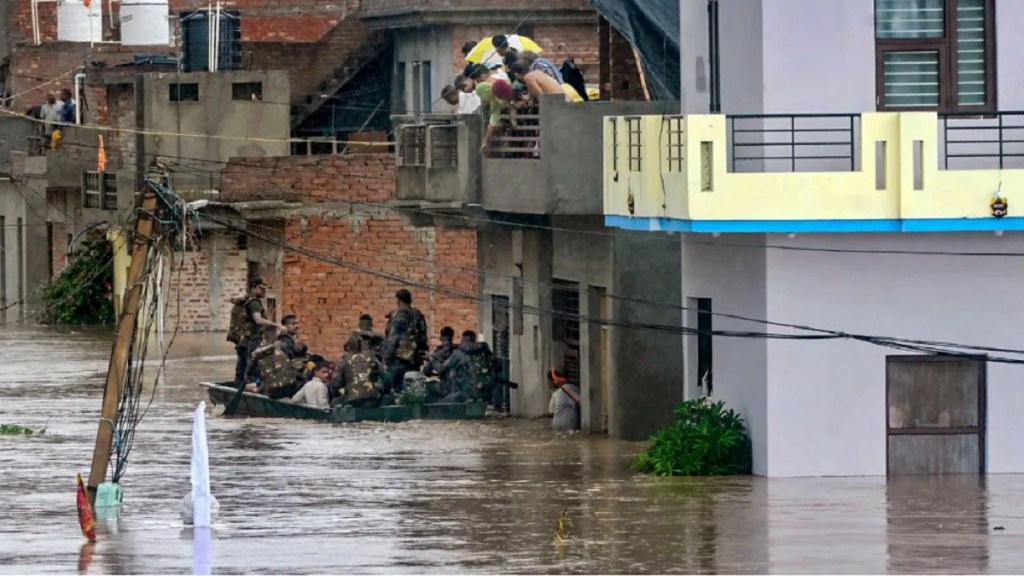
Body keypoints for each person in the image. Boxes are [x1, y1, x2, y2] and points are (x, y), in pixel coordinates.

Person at [231, 277, 285, 388]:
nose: (264, 291)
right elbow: (258, 320)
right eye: (262, 289)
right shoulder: (254, 302)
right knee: (252, 367)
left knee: (241, 367)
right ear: (254, 288)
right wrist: (277, 325)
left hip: (241, 340)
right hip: (251, 340)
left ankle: (238, 386)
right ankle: (250, 389)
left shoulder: (244, 300)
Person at [382, 289, 428, 393]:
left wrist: (386, 358)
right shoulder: (419, 316)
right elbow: (423, 340)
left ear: (399, 301)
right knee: (412, 392)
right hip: (415, 362)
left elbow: (392, 340)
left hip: (399, 361)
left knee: (394, 393)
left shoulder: (399, 317)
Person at [439, 330, 495, 403]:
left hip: (466, 394)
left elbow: (442, 368)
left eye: (462, 339)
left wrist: (435, 359)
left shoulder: (459, 352)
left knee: (442, 404)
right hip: (487, 392)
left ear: (465, 339)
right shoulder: (485, 350)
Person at [330, 334, 384, 407]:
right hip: (373, 399)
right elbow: (385, 377)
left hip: (352, 400)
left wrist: (336, 393)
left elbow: (335, 383)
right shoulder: (373, 358)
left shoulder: (344, 361)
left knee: (334, 402)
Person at [509, 61, 582, 102]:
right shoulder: (537, 72)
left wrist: (528, 101)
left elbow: (540, 96)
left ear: (516, 74)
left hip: (558, 103)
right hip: (564, 99)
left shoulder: (528, 77)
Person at [548, 367, 581, 432]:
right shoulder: (575, 389)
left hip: (558, 425)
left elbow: (551, 411)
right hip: (571, 426)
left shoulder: (556, 393)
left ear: (555, 381)